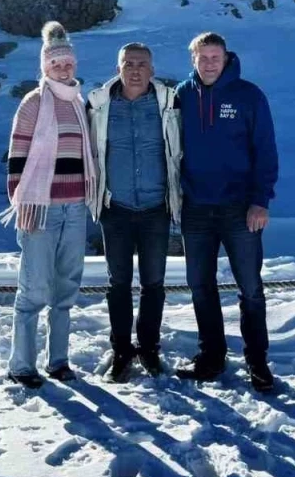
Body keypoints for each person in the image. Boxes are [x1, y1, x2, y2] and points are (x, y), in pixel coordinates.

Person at [173, 32, 279, 392]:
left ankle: (257, 362)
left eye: (214, 57)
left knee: (250, 287)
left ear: (226, 57)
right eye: (202, 58)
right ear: (193, 60)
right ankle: (211, 357)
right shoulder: (181, 96)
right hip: (196, 208)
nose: (208, 64)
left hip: (240, 209)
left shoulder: (249, 96)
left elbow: (265, 150)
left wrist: (260, 200)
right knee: (201, 286)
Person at [0, 21, 100, 388]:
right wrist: (22, 201)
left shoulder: (78, 102)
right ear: (44, 66)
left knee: (66, 287)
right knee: (34, 288)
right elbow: (17, 157)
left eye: (67, 63)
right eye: (55, 63)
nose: (63, 68)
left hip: (75, 208)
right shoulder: (34, 103)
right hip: (40, 208)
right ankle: (21, 364)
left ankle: (59, 360)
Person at [86, 42, 182, 382]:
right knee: (119, 284)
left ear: (152, 70)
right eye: (129, 63)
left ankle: (150, 347)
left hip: (156, 206)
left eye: (142, 63)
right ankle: (122, 348)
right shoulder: (98, 105)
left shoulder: (169, 103)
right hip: (117, 209)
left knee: (154, 283)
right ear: (118, 68)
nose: (136, 69)